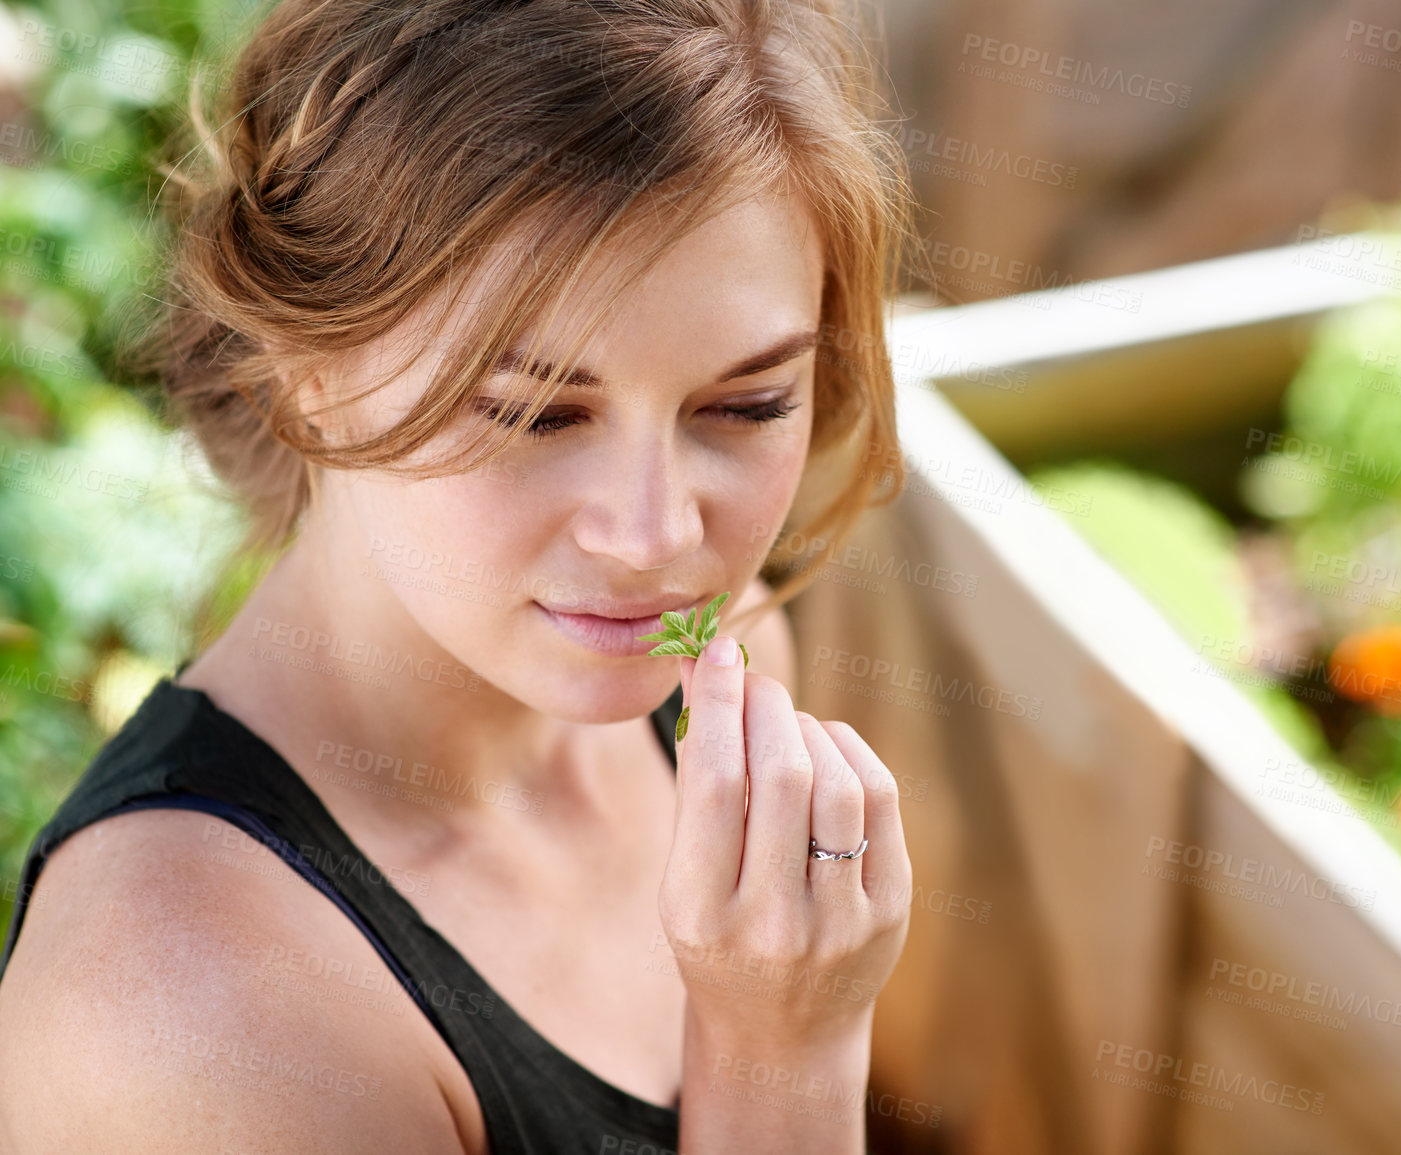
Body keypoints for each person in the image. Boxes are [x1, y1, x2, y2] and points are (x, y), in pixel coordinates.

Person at [0, 1, 918, 1151]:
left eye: (744, 404)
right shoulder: (181, 1022)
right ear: (303, 373)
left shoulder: (718, 674)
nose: (657, 537)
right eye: (535, 413)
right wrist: (782, 1060)